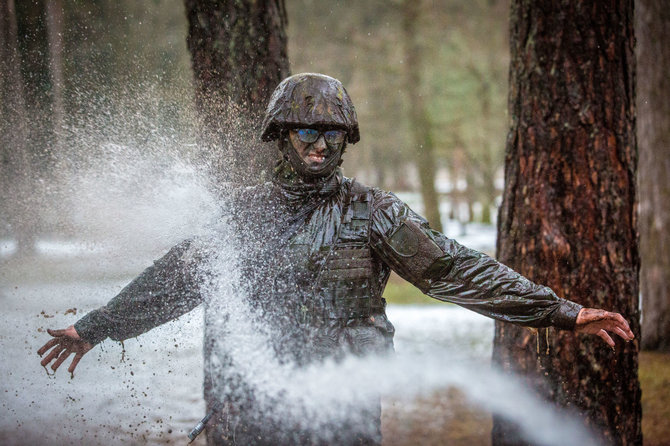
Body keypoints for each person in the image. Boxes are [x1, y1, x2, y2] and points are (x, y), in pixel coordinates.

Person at [38, 73, 634, 446]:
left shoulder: (372, 212)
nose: (321, 145)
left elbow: (454, 269)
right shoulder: (239, 216)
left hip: (341, 411)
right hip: (251, 408)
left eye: (333, 134)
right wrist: (95, 329)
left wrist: (562, 312)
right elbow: (172, 282)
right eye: (306, 132)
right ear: (280, 135)